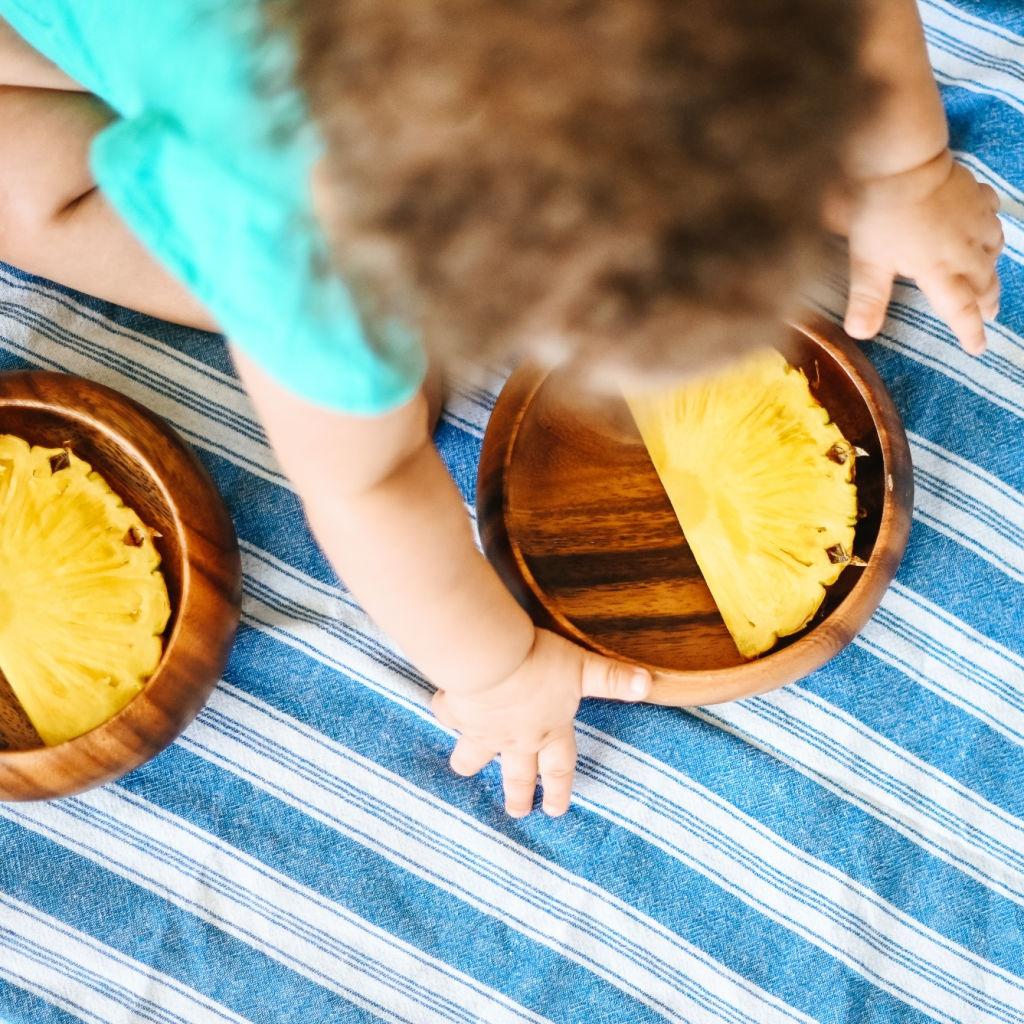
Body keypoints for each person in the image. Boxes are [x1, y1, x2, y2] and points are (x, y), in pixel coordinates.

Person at [0, 0, 1003, 818]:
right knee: (39, 195)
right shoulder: (300, 229)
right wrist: (499, 671)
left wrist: (901, 172)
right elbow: (369, 480)